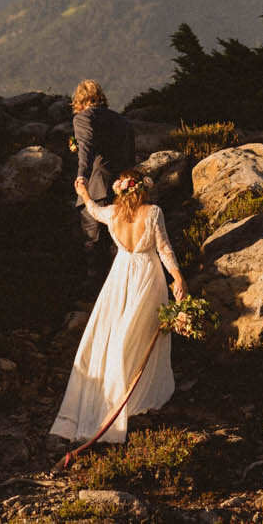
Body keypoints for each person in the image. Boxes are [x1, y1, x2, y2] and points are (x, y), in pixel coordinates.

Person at [51, 168, 186, 446]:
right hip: (147, 276)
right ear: (142, 189)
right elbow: (164, 249)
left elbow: (92, 210)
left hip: (121, 275)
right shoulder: (153, 212)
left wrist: (84, 193)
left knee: (114, 334)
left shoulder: (112, 213)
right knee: (142, 334)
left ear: (122, 189)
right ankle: (130, 398)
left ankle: (116, 394)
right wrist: (178, 278)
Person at [70, 79, 137, 283]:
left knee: (93, 243)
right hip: (122, 188)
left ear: (79, 100)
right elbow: (130, 156)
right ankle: (120, 288)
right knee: (120, 244)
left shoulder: (84, 118)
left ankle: (95, 295)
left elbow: (87, 148)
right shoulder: (122, 121)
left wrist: (81, 175)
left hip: (97, 189)